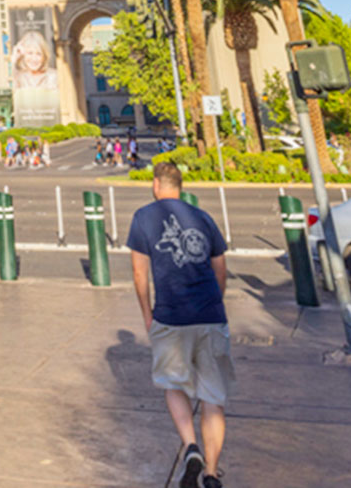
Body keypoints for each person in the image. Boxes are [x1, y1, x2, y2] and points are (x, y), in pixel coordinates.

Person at [127, 160, 231, 488]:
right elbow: (220, 268)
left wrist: (147, 313)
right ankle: (212, 474)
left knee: (172, 385)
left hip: (171, 315)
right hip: (211, 314)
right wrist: (217, 302)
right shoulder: (202, 217)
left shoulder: (144, 217)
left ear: (157, 184)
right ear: (180, 185)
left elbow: (139, 273)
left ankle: (190, 446)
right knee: (213, 397)